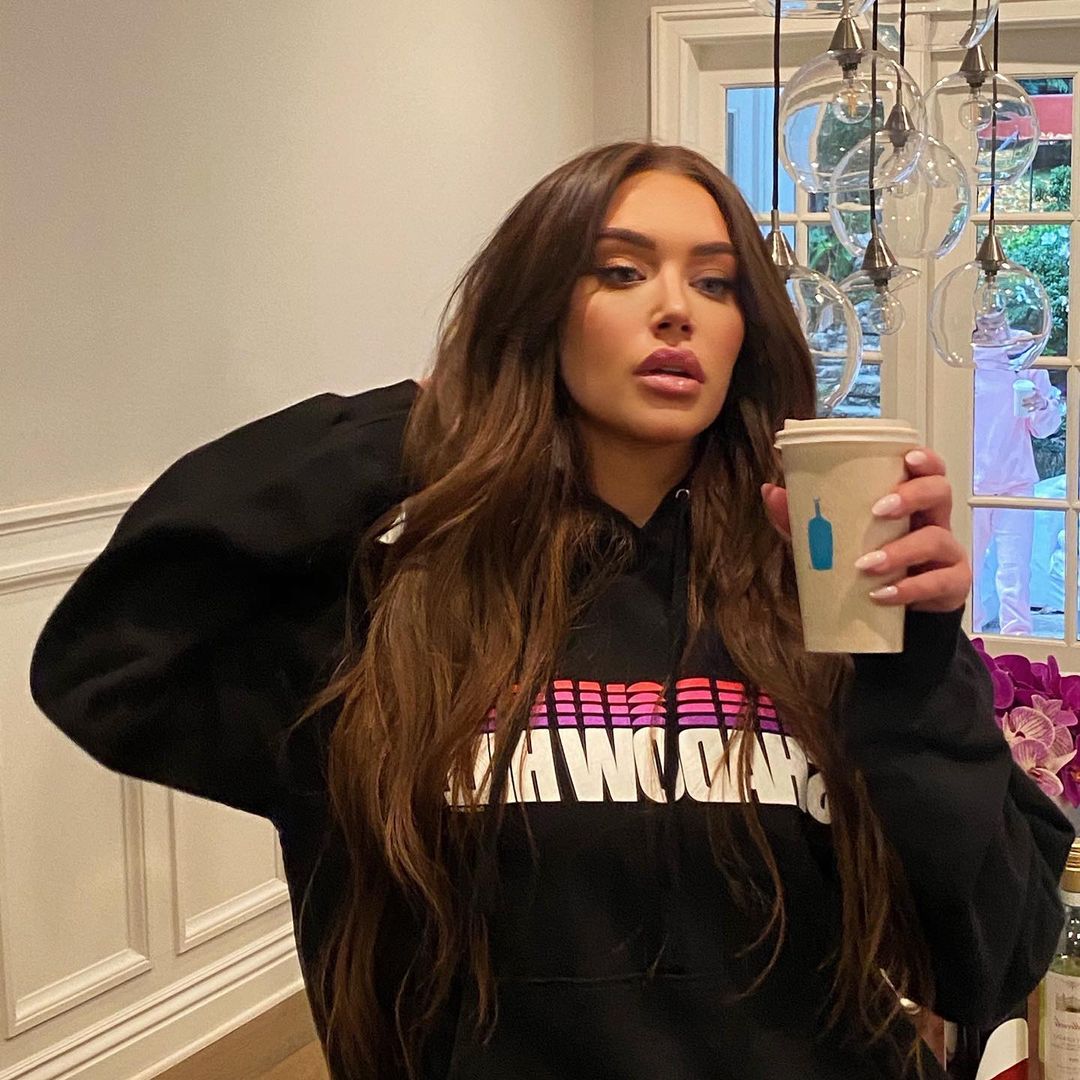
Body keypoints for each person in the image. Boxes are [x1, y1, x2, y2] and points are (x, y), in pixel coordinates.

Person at [28, 142, 1072, 1080]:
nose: (677, 310)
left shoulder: (825, 610)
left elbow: (994, 952)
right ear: (533, 314)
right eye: (620, 271)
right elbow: (107, 662)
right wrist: (424, 422)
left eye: (715, 283)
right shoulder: (402, 617)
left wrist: (914, 667)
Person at [971, 307, 1065, 635]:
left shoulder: (1024, 349)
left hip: (1016, 479)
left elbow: (1044, 429)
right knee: (967, 567)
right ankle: (969, 640)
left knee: (1015, 572)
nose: (993, 315)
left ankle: (1018, 641)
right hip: (971, 479)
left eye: (999, 308)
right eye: (985, 309)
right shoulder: (961, 356)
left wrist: (1042, 405)